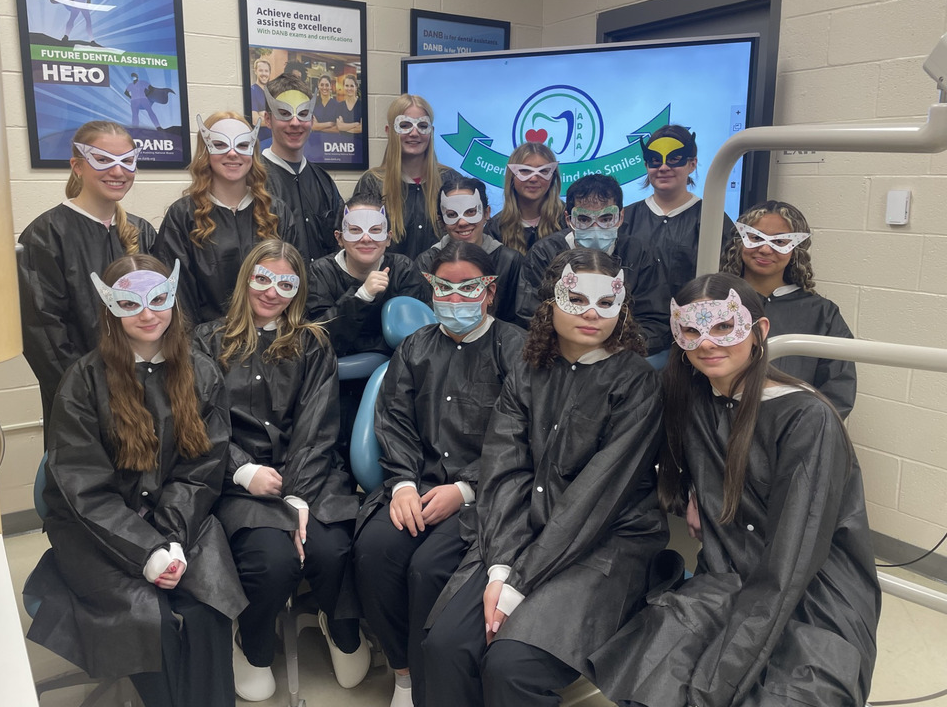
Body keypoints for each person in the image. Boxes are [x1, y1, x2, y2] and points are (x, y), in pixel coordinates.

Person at [589, 273, 880, 707]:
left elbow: (789, 567)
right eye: (691, 330)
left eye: (725, 326)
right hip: (724, 578)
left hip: (811, 599)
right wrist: (693, 490)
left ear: (759, 331)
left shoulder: (808, 419)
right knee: (650, 675)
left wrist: (716, 684)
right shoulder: (691, 399)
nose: (707, 342)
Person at [422, 248, 669, 707]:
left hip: (602, 545)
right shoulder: (528, 369)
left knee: (511, 667)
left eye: (606, 303)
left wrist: (519, 582)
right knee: (446, 648)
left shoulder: (636, 383)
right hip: (518, 535)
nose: (592, 314)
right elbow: (504, 469)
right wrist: (500, 566)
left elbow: (595, 499)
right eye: (576, 299)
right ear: (550, 302)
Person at [23, 254, 247, 707]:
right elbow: (82, 487)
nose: (147, 314)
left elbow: (202, 470)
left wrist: (172, 539)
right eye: (130, 303)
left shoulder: (201, 372)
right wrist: (147, 551)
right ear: (110, 308)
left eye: (158, 299)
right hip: (98, 531)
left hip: (182, 521)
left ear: (173, 299)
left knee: (206, 610)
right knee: (152, 620)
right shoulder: (83, 381)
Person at [194, 240, 370, 701]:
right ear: (246, 278)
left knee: (331, 550)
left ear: (298, 289)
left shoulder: (312, 344)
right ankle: (251, 643)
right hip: (236, 484)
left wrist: (297, 495)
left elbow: (317, 426)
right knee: (272, 562)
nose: (272, 291)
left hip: (310, 475)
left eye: (286, 283)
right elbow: (200, 423)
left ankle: (340, 625)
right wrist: (241, 470)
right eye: (263, 279)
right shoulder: (206, 342)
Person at [354, 241, 527, 707]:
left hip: (484, 494)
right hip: (416, 483)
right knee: (373, 553)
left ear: (489, 291)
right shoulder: (415, 347)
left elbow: (518, 439)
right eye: (444, 289)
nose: (456, 299)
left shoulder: (517, 350)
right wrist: (404, 484)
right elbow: (393, 420)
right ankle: (405, 674)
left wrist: (466, 489)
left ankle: (433, 686)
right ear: (430, 290)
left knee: (428, 569)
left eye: (468, 288)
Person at [18, 119, 156, 442]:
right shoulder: (45, 237)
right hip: (80, 406)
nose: (118, 172)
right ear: (77, 166)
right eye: (103, 160)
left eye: (127, 161)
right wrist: (92, 396)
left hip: (147, 397)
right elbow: (45, 339)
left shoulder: (142, 233)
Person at [307, 191, 428, 470]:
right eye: (355, 230)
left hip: (396, 386)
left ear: (388, 237)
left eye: (376, 230)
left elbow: (418, 341)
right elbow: (319, 340)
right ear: (339, 237)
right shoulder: (320, 273)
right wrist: (361, 297)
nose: (366, 238)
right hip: (334, 390)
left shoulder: (403, 270)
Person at [153, 111, 305, 326]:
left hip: (272, 342)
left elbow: (295, 281)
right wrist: (199, 349)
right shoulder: (183, 216)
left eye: (243, 146)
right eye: (220, 144)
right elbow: (178, 295)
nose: (233, 154)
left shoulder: (276, 212)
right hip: (207, 345)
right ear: (205, 151)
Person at [720, 200, 856, 416]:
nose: (765, 249)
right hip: (713, 433)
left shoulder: (822, 314)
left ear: (796, 249)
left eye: (780, 241)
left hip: (793, 434)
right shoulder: (715, 302)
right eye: (755, 237)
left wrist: (801, 433)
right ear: (740, 241)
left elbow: (837, 391)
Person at [517, 174, 670, 355]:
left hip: (621, 354)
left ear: (620, 217)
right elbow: (530, 314)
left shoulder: (640, 254)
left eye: (606, 219)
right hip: (561, 354)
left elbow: (655, 320)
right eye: (583, 219)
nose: (595, 227)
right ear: (569, 219)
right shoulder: (544, 254)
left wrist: (613, 349)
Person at [621, 125, 734, 297]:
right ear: (646, 165)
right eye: (655, 160)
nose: (664, 168)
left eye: (674, 159)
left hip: (694, 320)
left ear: (692, 164)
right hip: (634, 321)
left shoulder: (713, 219)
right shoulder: (625, 218)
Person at [353, 94, 453, 260]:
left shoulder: (450, 180)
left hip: (442, 284)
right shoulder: (372, 183)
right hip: (388, 283)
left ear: (431, 131)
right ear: (389, 131)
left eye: (422, 126)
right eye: (405, 125)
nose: (414, 133)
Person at [414, 176, 524, 324]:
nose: (463, 222)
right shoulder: (427, 262)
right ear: (441, 221)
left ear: (486, 213)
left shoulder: (509, 261)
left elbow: (516, 321)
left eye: (471, 212)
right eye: (452, 215)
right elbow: (424, 319)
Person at [259, 74, 345, 262]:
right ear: (267, 119)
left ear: (312, 120)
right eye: (284, 113)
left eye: (303, 114)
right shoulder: (254, 180)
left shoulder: (324, 182)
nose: (295, 123)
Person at [486, 143, 566, 255]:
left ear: (553, 177)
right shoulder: (496, 228)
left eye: (543, 171)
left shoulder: (568, 220)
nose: (533, 178)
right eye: (525, 170)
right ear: (512, 177)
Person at [249, 57, 272, 127]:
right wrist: (274, 121)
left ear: (269, 72)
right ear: (255, 71)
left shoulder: (272, 92)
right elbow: (255, 120)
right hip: (262, 137)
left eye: (266, 71)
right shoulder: (252, 91)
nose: (264, 74)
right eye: (261, 70)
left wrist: (262, 114)